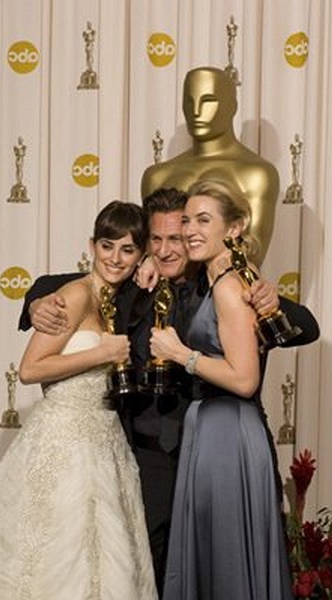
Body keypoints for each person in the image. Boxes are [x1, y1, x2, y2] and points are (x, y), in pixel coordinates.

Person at [18, 189, 319, 595]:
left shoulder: (216, 286)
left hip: (208, 451)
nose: (164, 250)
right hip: (140, 457)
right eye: (154, 241)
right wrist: (35, 302)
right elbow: (58, 284)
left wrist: (271, 299)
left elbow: (308, 326)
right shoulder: (132, 285)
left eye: (175, 238)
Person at [0, 201, 157, 600]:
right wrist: (101, 353)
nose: (116, 259)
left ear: (141, 255)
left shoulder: (121, 298)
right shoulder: (73, 294)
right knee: (52, 552)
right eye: (107, 246)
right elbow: (31, 369)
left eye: (127, 249)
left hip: (104, 443)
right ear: (92, 245)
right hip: (63, 441)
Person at [150, 180, 295, 600]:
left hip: (228, 431)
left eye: (204, 220)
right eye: (187, 220)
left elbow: (245, 379)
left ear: (233, 229)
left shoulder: (231, 288)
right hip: (212, 428)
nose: (191, 229)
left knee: (227, 556)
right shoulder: (216, 283)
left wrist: (181, 354)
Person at [141, 66, 280, 266]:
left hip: (225, 289)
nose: (196, 112)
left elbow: (253, 253)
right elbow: (150, 247)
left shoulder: (256, 174)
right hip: (165, 292)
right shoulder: (157, 176)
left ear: (232, 106)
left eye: (208, 101)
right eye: (189, 102)